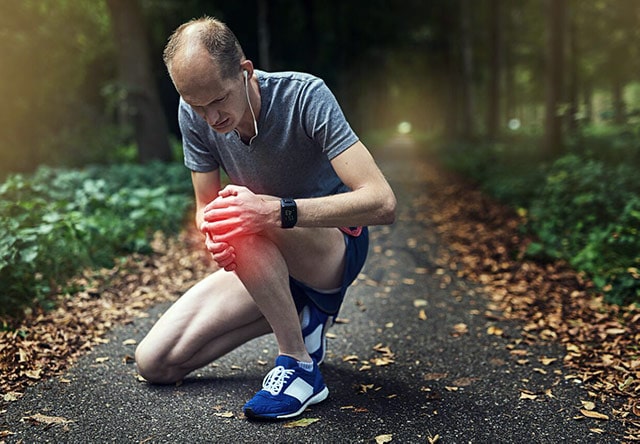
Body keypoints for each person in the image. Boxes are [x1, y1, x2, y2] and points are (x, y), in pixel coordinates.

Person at [134, 16, 396, 420]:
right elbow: (206, 207)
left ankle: (300, 365)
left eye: (218, 99)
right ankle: (304, 317)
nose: (211, 117)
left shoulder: (305, 96)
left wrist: (275, 210)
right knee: (156, 362)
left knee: (241, 212)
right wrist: (212, 234)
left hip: (331, 248)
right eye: (197, 105)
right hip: (262, 252)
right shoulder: (196, 111)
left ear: (245, 71)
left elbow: (381, 203)